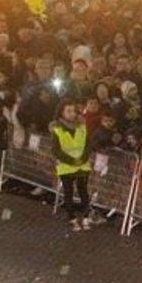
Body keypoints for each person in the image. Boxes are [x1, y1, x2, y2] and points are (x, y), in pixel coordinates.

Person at [50, 99, 97, 231]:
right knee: (68, 192)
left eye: (73, 111)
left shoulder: (82, 126)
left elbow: (88, 144)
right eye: (68, 111)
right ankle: (72, 218)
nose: (72, 114)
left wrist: (83, 158)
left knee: (83, 191)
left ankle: (86, 216)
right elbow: (55, 149)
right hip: (66, 166)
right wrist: (71, 160)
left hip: (82, 164)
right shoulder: (57, 129)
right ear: (61, 113)